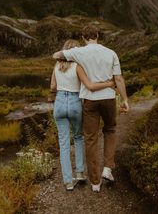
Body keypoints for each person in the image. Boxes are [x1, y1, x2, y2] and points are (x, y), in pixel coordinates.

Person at [53, 25, 129, 192]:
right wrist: (124, 99)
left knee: (90, 139)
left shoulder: (79, 52)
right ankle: (108, 168)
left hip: (89, 100)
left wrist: (67, 55)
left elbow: (56, 55)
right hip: (109, 98)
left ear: (83, 37)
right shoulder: (111, 53)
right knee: (110, 130)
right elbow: (119, 78)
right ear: (97, 36)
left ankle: (95, 183)